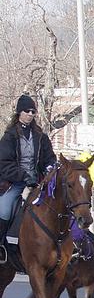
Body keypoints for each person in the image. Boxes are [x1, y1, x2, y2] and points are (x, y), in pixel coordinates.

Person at [0, 95, 56, 262]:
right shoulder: (9, 136)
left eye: (33, 111)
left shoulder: (41, 136)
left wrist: (50, 167)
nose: (31, 114)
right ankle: (1, 245)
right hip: (16, 182)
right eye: (27, 111)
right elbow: (3, 163)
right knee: (4, 208)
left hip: (39, 182)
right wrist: (23, 176)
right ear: (19, 113)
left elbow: (49, 157)